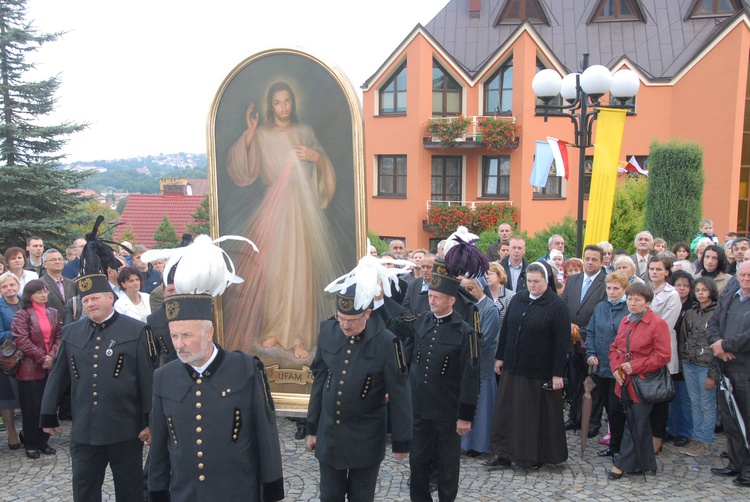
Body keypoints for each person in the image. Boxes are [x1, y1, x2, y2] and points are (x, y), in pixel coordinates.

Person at [148, 233, 284, 502]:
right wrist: (157, 490)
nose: (179, 344)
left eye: (187, 335)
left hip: (237, 490)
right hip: (186, 493)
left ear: (208, 331)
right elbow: (161, 443)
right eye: (174, 336)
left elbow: (264, 434)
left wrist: (271, 488)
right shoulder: (165, 377)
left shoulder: (245, 368)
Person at [224, 81, 344, 360]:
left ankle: (300, 335)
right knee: (275, 270)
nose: (284, 107)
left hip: (301, 209)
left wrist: (316, 158)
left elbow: (324, 166)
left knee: (300, 271)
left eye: (288, 101)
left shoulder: (305, 132)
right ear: (271, 106)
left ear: (294, 103)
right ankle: (275, 328)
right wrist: (251, 134)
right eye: (278, 102)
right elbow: (246, 171)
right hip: (273, 209)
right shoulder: (263, 134)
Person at [40, 250, 155, 501]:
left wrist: (150, 420)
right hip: (85, 430)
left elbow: (147, 379)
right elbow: (58, 376)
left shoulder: (136, 330)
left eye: (95, 298)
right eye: (85, 300)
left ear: (110, 298)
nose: (90, 304)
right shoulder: (71, 333)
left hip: (125, 429)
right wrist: (48, 413)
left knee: (130, 490)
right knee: (84, 489)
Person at [378, 258, 480, 501]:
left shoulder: (465, 332)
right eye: (430, 295)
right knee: (419, 464)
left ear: (451, 300)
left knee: (447, 468)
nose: (431, 300)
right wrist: (379, 300)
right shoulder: (422, 319)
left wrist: (465, 415)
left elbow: (471, 375)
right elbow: (395, 325)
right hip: (420, 409)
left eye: (436, 297)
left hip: (447, 412)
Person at [306, 282, 412, 502]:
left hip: (366, 438)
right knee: (329, 496)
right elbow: (319, 382)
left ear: (368, 314)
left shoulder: (387, 342)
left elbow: (400, 392)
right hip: (330, 434)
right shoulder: (328, 332)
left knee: (361, 497)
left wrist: (402, 441)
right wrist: (312, 428)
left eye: (352, 320)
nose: (345, 326)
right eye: (341, 318)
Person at [485, 262, 570, 469]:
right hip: (513, 367)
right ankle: (502, 453)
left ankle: (529, 456)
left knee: (529, 417)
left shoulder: (556, 306)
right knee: (505, 413)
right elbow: (506, 329)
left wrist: (558, 373)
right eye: (529, 281)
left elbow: (562, 343)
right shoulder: (519, 298)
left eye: (537, 282)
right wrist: (500, 357)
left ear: (546, 281)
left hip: (537, 371)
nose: (532, 285)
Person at [608, 282, 671, 479]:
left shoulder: (658, 324)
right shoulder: (626, 321)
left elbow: (663, 356)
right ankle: (646, 463)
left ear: (648, 302)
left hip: (644, 383)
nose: (632, 303)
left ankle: (621, 465)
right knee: (636, 422)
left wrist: (635, 366)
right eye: (630, 298)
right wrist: (616, 369)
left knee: (634, 422)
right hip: (625, 382)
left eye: (637, 299)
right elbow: (615, 349)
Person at [707, 261, 750, 486]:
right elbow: (713, 323)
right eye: (742, 274)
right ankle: (736, 462)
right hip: (725, 366)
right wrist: (717, 344)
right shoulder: (731, 296)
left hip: (746, 368)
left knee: (747, 419)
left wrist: (727, 345)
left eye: (749, 275)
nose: (745, 278)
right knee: (731, 420)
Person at [11, 279, 61, 459]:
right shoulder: (22, 315)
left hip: (49, 365)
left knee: (47, 404)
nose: (43, 294)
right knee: (31, 408)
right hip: (30, 368)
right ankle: (30, 443)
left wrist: (52, 355)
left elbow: (58, 336)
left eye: (45, 291)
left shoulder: (52, 312)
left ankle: (43, 440)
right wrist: (42, 357)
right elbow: (21, 340)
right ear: (29, 295)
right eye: (39, 291)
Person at [561, 245, 607, 436]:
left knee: (592, 383)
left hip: (592, 340)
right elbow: (562, 305)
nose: (589, 262)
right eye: (587, 258)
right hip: (571, 340)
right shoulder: (573, 280)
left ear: (602, 262)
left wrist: (583, 332)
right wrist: (569, 326)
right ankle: (575, 417)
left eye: (594, 259)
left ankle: (592, 422)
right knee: (575, 380)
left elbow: (604, 313)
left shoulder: (606, 282)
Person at [585, 272, 629, 458]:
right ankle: (613, 445)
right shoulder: (601, 307)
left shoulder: (628, 309)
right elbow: (592, 332)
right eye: (609, 288)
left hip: (619, 368)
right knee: (606, 407)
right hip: (601, 365)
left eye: (616, 288)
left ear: (624, 289)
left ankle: (620, 446)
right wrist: (591, 353)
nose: (611, 292)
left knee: (617, 408)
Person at [460, 276, 500, 457]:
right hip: (464, 365)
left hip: (482, 365)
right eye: (464, 289)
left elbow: (486, 339)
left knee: (481, 407)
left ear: (481, 288)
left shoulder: (490, 309)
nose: (467, 293)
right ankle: (463, 443)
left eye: (470, 289)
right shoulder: (465, 306)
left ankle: (479, 444)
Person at [679, 276, 719, 457]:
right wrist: (683, 359)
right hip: (690, 363)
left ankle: (705, 440)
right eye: (698, 290)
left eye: (704, 290)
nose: (701, 293)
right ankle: (696, 437)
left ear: (711, 291)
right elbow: (683, 338)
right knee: (695, 403)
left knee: (707, 403)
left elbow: (716, 344)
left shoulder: (717, 313)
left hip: (706, 365)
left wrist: (713, 373)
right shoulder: (691, 312)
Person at [647, 253, 683, 454]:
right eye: (652, 268)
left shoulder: (672, 295)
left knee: (659, 399)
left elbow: (663, 325)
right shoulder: (644, 289)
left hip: (661, 351)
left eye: (659, 269)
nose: (654, 272)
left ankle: (657, 440)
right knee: (644, 396)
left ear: (667, 272)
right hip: (641, 352)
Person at [0, 272, 22, 450]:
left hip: (28, 355)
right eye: (5, 286)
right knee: (7, 398)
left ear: (18, 285)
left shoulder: (26, 302)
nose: (9, 288)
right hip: (7, 357)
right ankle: (12, 432)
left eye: (12, 285)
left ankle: (28, 430)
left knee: (27, 395)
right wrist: (17, 331)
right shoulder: (0, 306)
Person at [40, 249, 75, 320]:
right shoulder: (40, 284)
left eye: (60, 259)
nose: (57, 262)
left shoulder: (71, 283)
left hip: (72, 325)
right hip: (52, 325)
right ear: (44, 264)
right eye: (53, 259)